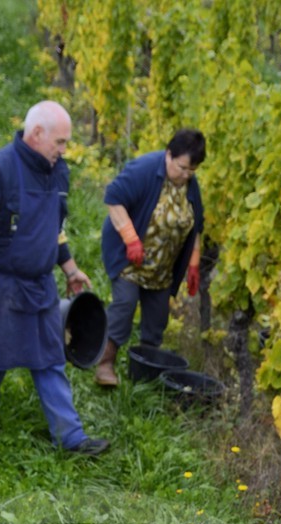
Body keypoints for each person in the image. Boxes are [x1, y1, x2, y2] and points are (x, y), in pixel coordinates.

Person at [0, 100, 108, 454]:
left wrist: (70, 269)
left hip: (41, 283)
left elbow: (53, 227)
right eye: (60, 142)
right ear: (37, 133)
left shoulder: (57, 172)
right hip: (1, 285)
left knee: (51, 358)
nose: (64, 150)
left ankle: (70, 437)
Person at [96, 129, 206, 388]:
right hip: (130, 261)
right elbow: (113, 198)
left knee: (157, 321)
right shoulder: (144, 169)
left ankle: (145, 372)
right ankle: (104, 364)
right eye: (182, 168)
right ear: (168, 155)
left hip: (162, 268)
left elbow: (196, 227)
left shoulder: (190, 186)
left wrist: (193, 264)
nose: (186, 175)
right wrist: (130, 238)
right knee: (124, 305)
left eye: (192, 171)